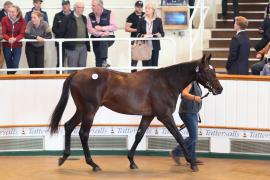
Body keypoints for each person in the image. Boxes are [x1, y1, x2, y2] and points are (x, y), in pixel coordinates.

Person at [170, 82, 203, 166]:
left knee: (193, 137)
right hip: (188, 112)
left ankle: (192, 158)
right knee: (193, 137)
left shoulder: (195, 82)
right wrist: (195, 98)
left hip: (192, 112)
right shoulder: (190, 81)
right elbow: (184, 94)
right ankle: (176, 152)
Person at [59, 1, 90, 72]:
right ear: (75, 8)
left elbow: (86, 31)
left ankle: (81, 83)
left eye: (83, 8)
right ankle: (71, 83)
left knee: (82, 68)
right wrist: (65, 45)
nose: (82, 9)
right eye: (80, 7)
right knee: (72, 69)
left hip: (83, 47)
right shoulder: (67, 18)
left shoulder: (84, 18)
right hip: (72, 47)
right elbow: (61, 33)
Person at [88, 0, 117, 67]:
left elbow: (114, 27)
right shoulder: (90, 15)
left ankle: (104, 60)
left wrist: (102, 28)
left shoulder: (109, 13)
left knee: (103, 39)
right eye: (92, 5)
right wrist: (101, 33)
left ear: (100, 6)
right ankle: (99, 73)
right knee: (98, 58)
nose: (91, 7)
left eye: (93, 5)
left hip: (109, 37)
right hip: (96, 38)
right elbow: (90, 29)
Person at [137, 2, 165, 66]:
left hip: (155, 46)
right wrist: (143, 35)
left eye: (149, 8)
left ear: (153, 10)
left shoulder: (158, 20)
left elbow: (162, 34)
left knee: (154, 66)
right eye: (146, 8)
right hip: (144, 46)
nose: (146, 10)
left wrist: (159, 35)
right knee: (146, 67)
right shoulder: (141, 20)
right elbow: (137, 33)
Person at [1, 5, 26, 74]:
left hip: (17, 46)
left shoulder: (22, 20)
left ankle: (9, 77)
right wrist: (8, 38)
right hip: (7, 46)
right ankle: (10, 81)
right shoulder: (4, 19)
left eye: (13, 12)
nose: (11, 13)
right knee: (9, 66)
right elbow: (3, 33)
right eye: (10, 12)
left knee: (15, 65)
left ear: (17, 12)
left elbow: (22, 33)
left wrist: (15, 39)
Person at [52, 0, 71, 73]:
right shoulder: (57, 15)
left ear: (69, 5)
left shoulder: (73, 15)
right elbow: (54, 28)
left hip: (71, 43)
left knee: (72, 61)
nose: (64, 6)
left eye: (66, 4)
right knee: (60, 61)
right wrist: (62, 34)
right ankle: (58, 77)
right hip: (60, 43)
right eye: (63, 5)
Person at [125, 1, 146, 68]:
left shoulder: (145, 15)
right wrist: (137, 30)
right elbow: (126, 28)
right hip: (135, 40)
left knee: (145, 58)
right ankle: (133, 74)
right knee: (134, 58)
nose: (139, 8)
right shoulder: (131, 16)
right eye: (138, 7)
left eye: (141, 7)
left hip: (145, 39)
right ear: (135, 7)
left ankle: (145, 74)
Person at [0, 1, 13, 69]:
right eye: (8, 7)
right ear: (4, 7)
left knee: (3, 59)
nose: (9, 8)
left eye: (10, 7)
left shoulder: (13, 15)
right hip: (2, 39)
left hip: (7, 40)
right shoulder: (0, 14)